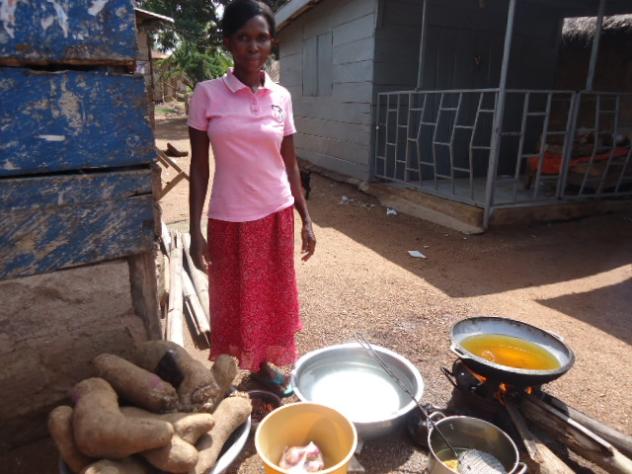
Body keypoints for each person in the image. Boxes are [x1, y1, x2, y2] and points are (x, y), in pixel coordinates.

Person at [187, 0, 315, 396]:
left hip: (276, 214)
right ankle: (233, 369)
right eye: (243, 37)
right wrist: (193, 230)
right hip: (229, 219)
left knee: (272, 298)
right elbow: (199, 168)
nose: (253, 46)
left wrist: (306, 219)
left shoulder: (282, 97)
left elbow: (290, 164)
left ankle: (263, 367)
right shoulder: (207, 95)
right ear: (228, 42)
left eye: (262, 38)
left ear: (272, 42)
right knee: (233, 300)